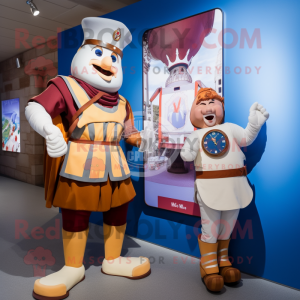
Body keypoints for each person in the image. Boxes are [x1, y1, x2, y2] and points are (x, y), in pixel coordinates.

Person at [25, 17, 154, 300]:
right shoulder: (66, 86)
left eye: (113, 57)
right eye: (99, 53)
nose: (107, 63)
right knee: (75, 214)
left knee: (118, 211)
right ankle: (73, 267)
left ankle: (113, 259)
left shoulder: (123, 103)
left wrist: (143, 139)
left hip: (116, 167)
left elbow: (128, 133)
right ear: (83, 51)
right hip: (78, 165)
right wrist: (49, 132)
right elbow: (35, 109)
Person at [180, 87, 269, 292]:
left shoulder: (230, 127)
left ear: (221, 108)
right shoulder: (195, 136)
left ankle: (223, 260)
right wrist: (190, 149)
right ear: (193, 112)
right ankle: (208, 265)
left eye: (213, 103)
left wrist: (254, 124)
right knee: (210, 228)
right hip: (209, 187)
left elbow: (246, 138)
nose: (208, 108)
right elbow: (185, 156)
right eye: (201, 104)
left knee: (227, 227)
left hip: (235, 187)